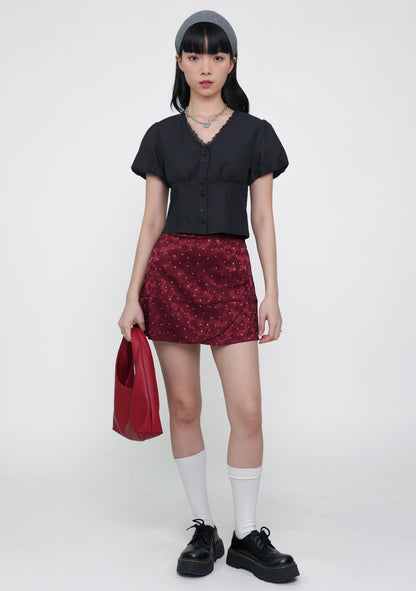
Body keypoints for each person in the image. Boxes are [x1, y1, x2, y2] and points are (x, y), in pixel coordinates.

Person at [118, 9, 300, 584]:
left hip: (229, 274)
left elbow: (263, 218)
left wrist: (272, 293)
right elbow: (151, 222)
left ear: (232, 63)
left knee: (247, 411)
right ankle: (204, 526)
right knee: (185, 407)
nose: (205, 66)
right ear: (179, 62)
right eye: (194, 55)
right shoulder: (160, 135)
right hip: (170, 274)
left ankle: (246, 534)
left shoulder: (255, 133)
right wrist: (132, 296)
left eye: (217, 56)